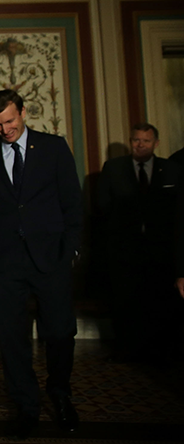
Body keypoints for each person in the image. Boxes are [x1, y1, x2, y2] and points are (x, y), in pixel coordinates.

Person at [0, 89, 82, 440]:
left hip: (51, 258)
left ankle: (60, 395)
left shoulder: (53, 147)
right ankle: (26, 406)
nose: (5, 130)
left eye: (11, 121)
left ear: (23, 112)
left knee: (61, 332)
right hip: (4, 263)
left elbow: (72, 203)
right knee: (12, 338)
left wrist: (72, 251)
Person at [95, 123, 182, 362]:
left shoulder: (172, 170)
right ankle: (127, 351)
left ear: (156, 143)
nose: (140, 145)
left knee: (159, 304)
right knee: (126, 303)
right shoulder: (114, 168)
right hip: (124, 252)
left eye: (145, 141)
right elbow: (103, 208)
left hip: (161, 252)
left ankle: (160, 353)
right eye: (136, 140)